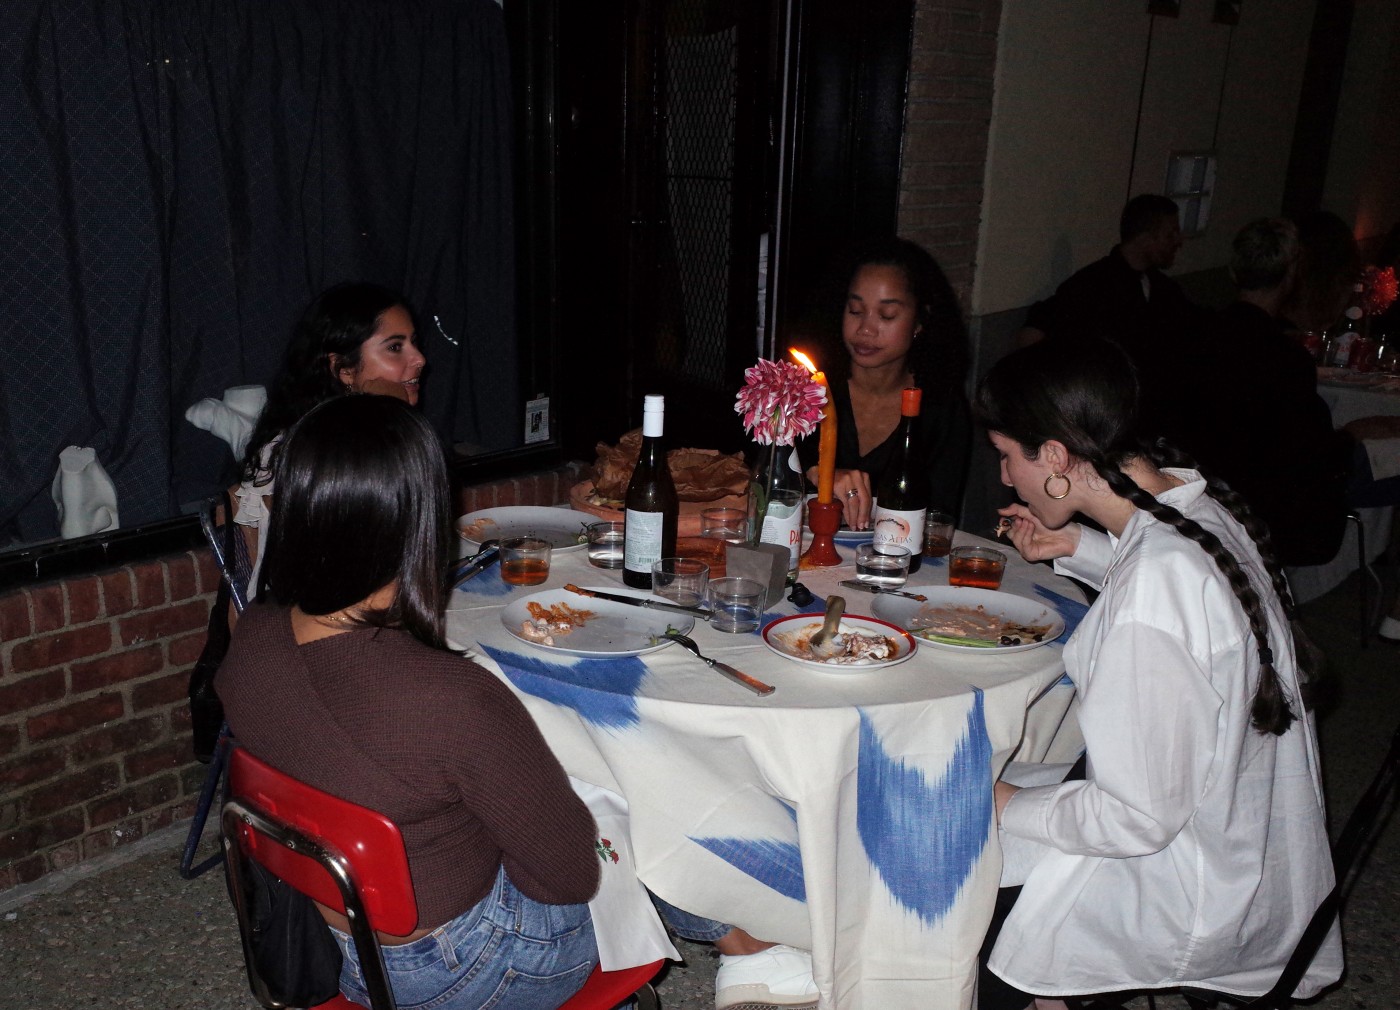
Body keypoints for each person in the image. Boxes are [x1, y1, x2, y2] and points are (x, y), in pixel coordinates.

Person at [973, 340, 1341, 1008]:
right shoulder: (1198, 510)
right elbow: (1185, 601)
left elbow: (1133, 819)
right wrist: (1078, 545)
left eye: (1007, 456)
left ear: (1054, 457)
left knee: (950, 850)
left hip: (1188, 890)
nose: (1004, 477)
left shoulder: (1154, 588)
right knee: (1007, 792)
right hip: (1244, 841)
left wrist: (1004, 803)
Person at [217, 395, 598, 1008]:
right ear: (421, 521)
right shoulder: (454, 698)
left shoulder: (252, 636)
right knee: (629, 834)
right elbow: (569, 879)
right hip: (455, 970)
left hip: (325, 938)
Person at [1176, 218, 1352, 566]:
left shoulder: (1191, 337)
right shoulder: (1287, 360)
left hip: (1189, 492)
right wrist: (1348, 440)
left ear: (1233, 271)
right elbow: (1299, 453)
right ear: (1291, 276)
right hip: (1255, 511)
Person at [234, 282, 427, 597]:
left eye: (414, 343)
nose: (419, 359)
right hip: (310, 613)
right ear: (343, 369)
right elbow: (336, 570)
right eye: (395, 347)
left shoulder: (383, 432)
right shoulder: (297, 450)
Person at [797, 237, 971, 529]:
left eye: (887, 315)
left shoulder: (940, 407)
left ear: (920, 321)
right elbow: (761, 481)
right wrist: (815, 474)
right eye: (855, 310)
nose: (865, 329)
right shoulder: (808, 388)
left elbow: (938, 519)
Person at [1017, 194, 1202, 442]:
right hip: (1112, 427)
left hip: (1151, 425)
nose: (1178, 241)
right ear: (1145, 237)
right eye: (1170, 234)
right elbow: (1038, 328)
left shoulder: (1162, 288)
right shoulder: (1093, 285)